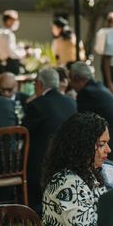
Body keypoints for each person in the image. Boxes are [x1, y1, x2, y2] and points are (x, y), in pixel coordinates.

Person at [39, 112, 111, 226]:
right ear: (83, 146)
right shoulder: (68, 184)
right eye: (101, 145)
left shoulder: (87, 176)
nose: (108, 150)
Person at [22, 68, 77, 211]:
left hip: (44, 162)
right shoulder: (71, 102)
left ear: (39, 84)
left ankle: (30, 204)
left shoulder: (37, 105)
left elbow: (23, 132)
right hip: (70, 156)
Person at [69, 62, 113, 160]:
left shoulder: (86, 93)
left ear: (77, 79)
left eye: (71, 81)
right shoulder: (99, 87)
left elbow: (82, 124)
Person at [0, 9, 25, 74]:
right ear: (8, 21)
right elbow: (12, 53)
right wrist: (24, 53)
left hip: (3, 64)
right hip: (10, 66)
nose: (17, 22)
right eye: (15, 19)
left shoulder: (0, 32)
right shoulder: (8, 34)